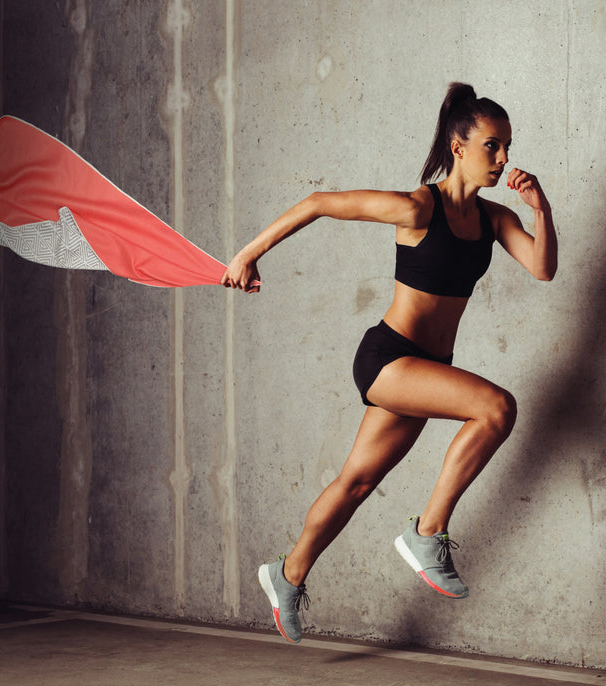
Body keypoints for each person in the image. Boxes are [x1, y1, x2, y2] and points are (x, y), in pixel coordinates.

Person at [221, 82, 558, 644]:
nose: (503, 159)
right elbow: (321, 203)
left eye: (506, 148)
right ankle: (428, 532)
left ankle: (286, 574)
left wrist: (540, 206)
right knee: (497, 408)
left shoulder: (496, 219)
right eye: (492, 146)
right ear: (459, 145)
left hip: (427, 369)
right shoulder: (417, 207)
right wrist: (248, 253)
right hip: (389, 359)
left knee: (357, 481)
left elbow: (543, 267)